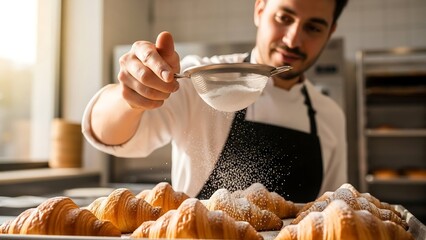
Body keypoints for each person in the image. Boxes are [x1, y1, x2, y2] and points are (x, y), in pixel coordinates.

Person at [82, 0, 349, 203]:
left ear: (330, 31)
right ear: (259, 9)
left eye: (313, 27)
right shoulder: (203, 79)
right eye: (284, 17)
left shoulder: (330, 115)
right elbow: (108, 135)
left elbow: (329, 211)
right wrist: (130, 98)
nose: (293, 40)